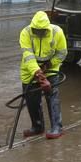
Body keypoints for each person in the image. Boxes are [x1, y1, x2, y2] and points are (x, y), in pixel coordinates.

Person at [19, 11, 67, 139]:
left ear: (47, 27)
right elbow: (28, 56)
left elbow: (62, 53)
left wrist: (50, 65)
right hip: (30, 69)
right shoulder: (26, 32)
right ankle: (37, 126)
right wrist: (38, 72)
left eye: (42, 31)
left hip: (50, 67)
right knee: (31, 99)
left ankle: (57, 127)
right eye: (36, 30)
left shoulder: (57, 32)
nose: (39, 33)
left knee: (52, 97)